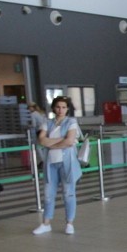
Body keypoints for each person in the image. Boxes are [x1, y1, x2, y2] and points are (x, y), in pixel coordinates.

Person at [33, 96, 82, 235]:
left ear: (67, 109)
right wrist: (61, 140)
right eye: (58, 107)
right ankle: (46, 223)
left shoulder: (71, 121)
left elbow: (70, 141)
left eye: (64, 107)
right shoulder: (47, 122)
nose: (61, 110)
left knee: (68, 193)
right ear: (54, 108)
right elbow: (41, 140)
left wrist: (51, 143)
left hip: (66, 163)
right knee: (48, 194)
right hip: (51, 164)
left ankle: (69, 222)